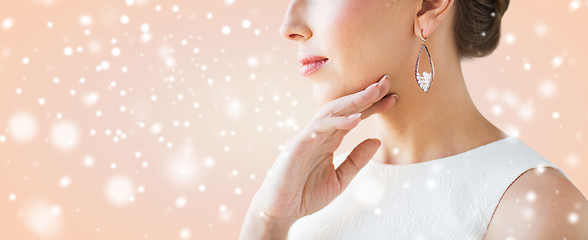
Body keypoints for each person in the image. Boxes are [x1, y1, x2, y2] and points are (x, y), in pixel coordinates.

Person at [240, 0, 588, 239]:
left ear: (428, 5)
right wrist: (267, 224)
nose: (290, 27)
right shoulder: (307, 196)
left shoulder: (533, 209)